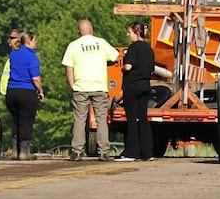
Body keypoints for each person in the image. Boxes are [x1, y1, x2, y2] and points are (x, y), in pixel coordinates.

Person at [62, 19, 119, 160]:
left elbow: (69, 69)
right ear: (91, 30)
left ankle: (76, 151)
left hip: (80, 87)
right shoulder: (101, 43)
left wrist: (73, 86)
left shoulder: (73, 46)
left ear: (79, 31)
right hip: (99, 87)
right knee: (101, 120)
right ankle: (104, 152)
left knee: (80, 120)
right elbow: (115, 57)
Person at [3, 29, 45, 160]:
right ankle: (24, 152)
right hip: (26, 91)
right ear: (29, 40)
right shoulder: (32, 56)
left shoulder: (13, 54)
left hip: (11, 92)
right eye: (35, 40)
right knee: (26, 121)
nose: (36, 43)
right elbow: (35, 78)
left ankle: (15, 150)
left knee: (16, 121)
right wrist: (40, 91)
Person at [119, 22, 155, 161]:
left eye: (129, 32)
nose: (128, 35)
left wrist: (122, 69)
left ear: (137, 33)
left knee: (132, 120)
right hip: (145, 86)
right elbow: (151, 68)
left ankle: (131, 152)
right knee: (144, 119)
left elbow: (128, 66)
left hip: (132, 87)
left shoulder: (134, 47)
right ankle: (147, 152)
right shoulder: (149, 49)